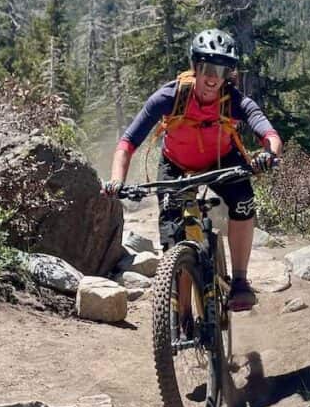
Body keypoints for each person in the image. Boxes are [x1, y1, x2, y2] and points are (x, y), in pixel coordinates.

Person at [103, 28, 283, 312]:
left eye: (221, 70)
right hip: (175, 164)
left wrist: (269, 154)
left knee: (243, 200)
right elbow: (127, 143)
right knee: (174, 235)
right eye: (207, 67)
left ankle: (239, 281)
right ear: (195, 67)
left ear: (228, 75)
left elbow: (268, 133)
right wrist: (117, 181)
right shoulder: (169, 97)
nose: (213, 77)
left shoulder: (234, 101)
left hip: (222, 160)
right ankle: (180, 312)